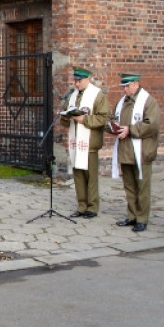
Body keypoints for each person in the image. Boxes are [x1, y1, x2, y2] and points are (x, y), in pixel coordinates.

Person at [110, 73, 161, 233]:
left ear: (136, 84)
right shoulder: (121, 102)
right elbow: (111, 118)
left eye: (127, 86)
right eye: (123, 86)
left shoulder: (148, 101)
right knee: (130, 186)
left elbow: (152, 124)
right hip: (125, 150)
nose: (124, 89)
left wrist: (130, 129)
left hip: (142, 151)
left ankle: (142, 218)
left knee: (142, 187)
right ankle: (131, 215)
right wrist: (113, 125)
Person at [59, 66, 109, 218]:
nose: (77, 83)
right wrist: (65, 117)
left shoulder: (97, 96)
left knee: (90, 176)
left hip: (90, 143)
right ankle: (81, 205)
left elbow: (104, 118)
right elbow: (65, 120)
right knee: (78, 175)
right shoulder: (72, 96)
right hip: (76, 141)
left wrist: (84, 119)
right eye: (75, 80)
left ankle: (92, 207)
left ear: (87, 79)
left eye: (79, 80)